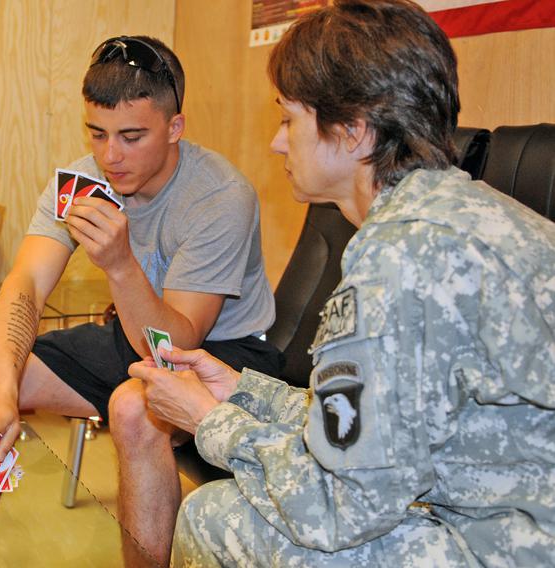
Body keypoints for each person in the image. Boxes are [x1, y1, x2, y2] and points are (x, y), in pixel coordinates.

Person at [129, 1, 555, 565]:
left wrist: (210, 421)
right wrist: (243, 393)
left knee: (216, 515)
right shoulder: (466, 210)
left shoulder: (397, 261)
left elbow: (338, 504)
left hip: (509, 547)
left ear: (353, 132)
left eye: (289, 120)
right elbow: (378, 428)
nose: (279, 142)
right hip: (508, 510)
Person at [0, 35, 283, 564]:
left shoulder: (221, 195)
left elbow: (176, 344)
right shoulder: (83, 177)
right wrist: (0, 387)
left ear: (174, 127)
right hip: (130, 336)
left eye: (132, 137)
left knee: (133, 409)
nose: (111, 157)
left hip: (224, 351)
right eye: (98, 134)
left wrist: (118, 263)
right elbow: (26, 283)